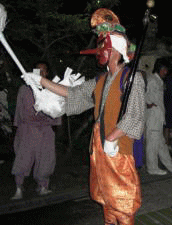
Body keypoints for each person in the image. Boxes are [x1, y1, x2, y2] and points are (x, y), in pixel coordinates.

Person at [22, 9, 144, 225]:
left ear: (116, 48)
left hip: (118, 146)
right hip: (100, 145)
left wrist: (113, 138)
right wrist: (41, 82)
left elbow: (134, 114)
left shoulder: (132, 78)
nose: (99, 51)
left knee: (122, 200)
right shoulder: (102, 80)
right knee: (106, 196)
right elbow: (72, 93)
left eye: (102, 46)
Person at [11, 61, 61, 200]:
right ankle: (19, 188)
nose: (41, 72)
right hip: (27, 129)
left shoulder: (51, 89)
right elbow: (19, 111)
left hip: (45, 130)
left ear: (47, 73)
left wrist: (55, 125)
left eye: (44, 70)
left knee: (46, 159)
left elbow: (57, 111)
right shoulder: (24, 89)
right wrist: (18, 127)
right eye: (38, 69)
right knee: (23, 158)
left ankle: (43, 186)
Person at [145, 58, 172, 175]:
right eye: (164, 69)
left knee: (161, 143)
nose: (166, 71)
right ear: (159, 68)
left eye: (166, 69)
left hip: (158, 117)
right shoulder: (152, 80)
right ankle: (152, 167)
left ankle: (171, 166)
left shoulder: (159, 81)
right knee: (152, 143)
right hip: (153, 116)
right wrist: (148, 103)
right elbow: (144, 94)